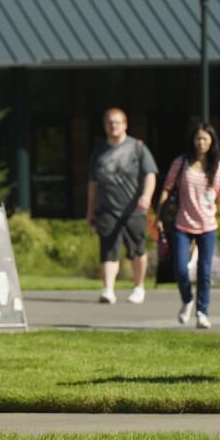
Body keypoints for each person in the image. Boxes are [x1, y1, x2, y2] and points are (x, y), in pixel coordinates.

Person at [157, 122, 220, 329]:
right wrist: (159, 215)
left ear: (212, 142)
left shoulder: (219, 167)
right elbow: (167, 188)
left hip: (208, 226)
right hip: (182, 224)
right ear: (192, 141)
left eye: (205, 139)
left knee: (204, 271)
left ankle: (202, 312)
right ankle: (187, 299)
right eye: (198, 138)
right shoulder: (181, 163)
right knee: (181, 269)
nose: (201, 143)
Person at [86, 108, 158, 304]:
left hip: (133, 209)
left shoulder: (138, 148)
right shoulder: (99, 152)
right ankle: (108, 289)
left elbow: (150, 175)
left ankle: (138, 287)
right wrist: (90, 211)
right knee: (108, 249)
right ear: (104, 126)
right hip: (108, 209)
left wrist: (146, 197)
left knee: (137, 249)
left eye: (117, 122)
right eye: (109, 122)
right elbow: (93, 184)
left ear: (125, 125)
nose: (113, 126)